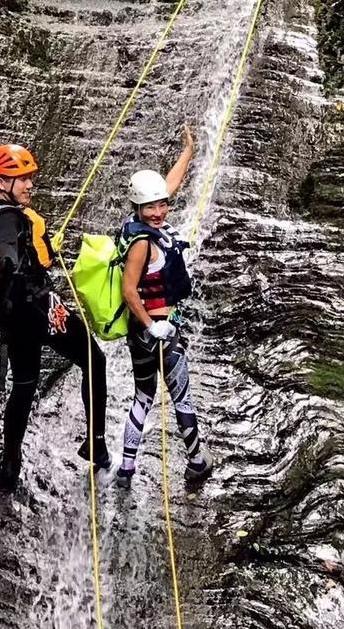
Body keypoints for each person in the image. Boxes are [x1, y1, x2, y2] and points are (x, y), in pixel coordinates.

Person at [0, 123, 108, 491]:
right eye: (22, 179)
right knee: (94, 360)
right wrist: (23, 261)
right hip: (38, 309)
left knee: (24, 386)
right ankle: (96, 443)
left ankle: (10, 460)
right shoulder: (8, 217)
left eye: (29, 178)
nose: (29, 185)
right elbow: (7, 250)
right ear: (3, 183)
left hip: (12, 318)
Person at [116, 125, 213, 487]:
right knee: (181, 397)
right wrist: (153, 325)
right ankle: (197, 462)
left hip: (139, 335)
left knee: (143, 395)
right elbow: (129, 290)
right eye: (151, 206)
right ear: (138, 207)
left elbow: (168, 184)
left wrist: (187, 152)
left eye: (162, 205)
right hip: (158, 330)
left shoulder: (133, 225)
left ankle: (126, 469)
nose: (159, 212)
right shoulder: (143, 243)